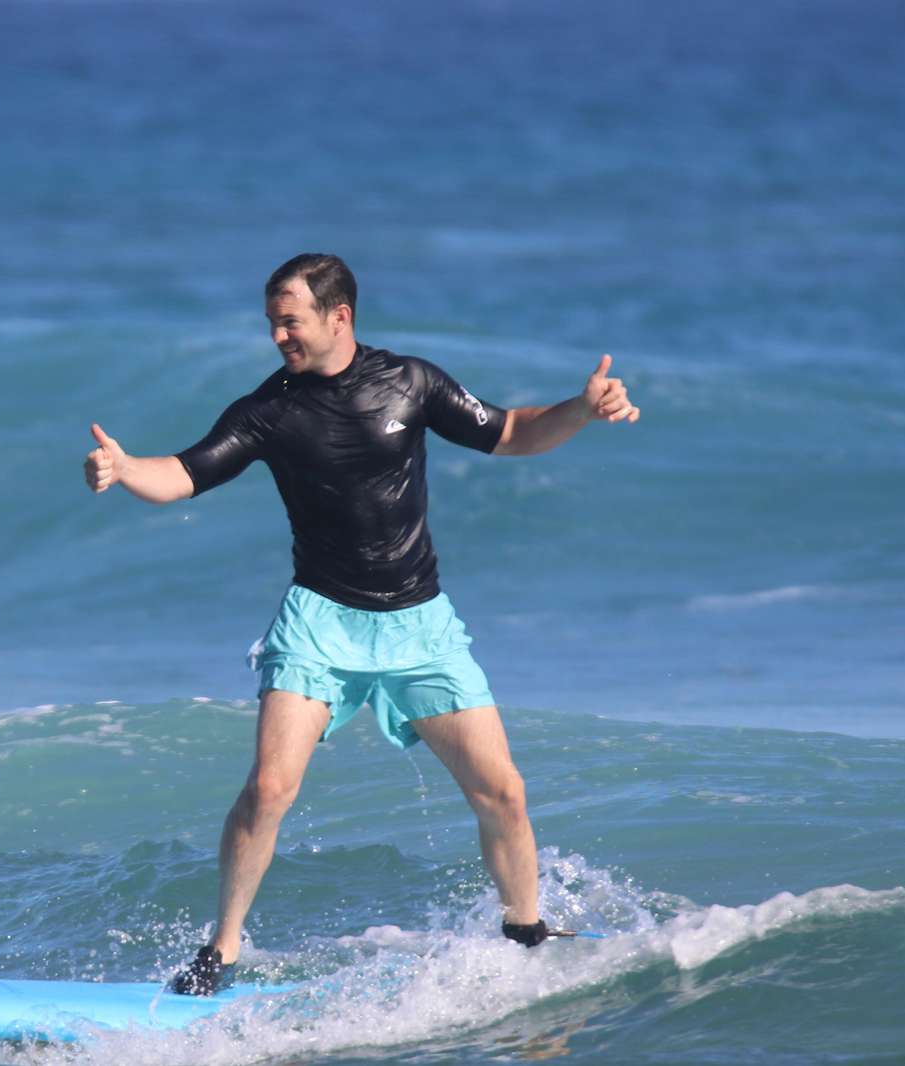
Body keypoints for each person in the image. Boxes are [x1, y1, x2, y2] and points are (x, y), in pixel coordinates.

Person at [81, 253, 639, 995]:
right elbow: (186, 473)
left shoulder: (410, 382)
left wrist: (579, 408)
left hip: (421, 625)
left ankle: (524, 931)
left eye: (291, 320)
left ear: (338, 315)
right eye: (272, 322)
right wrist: (125, 469)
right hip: (320, 624)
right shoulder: (267, 410)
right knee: (271, 788)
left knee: (501, 792)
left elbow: (508, 432)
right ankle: (222, 947)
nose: (278, 335)